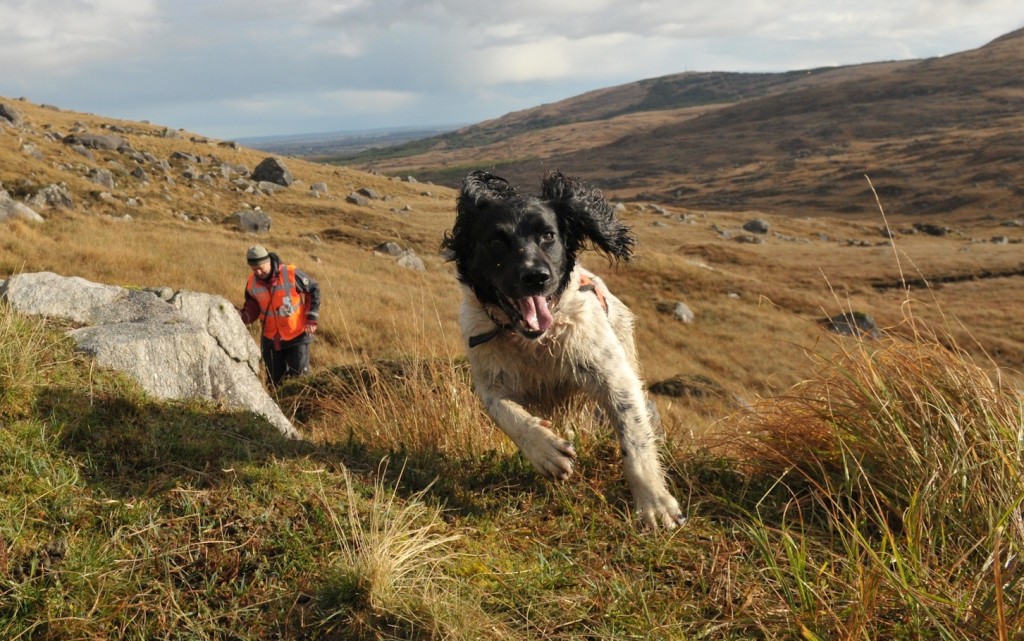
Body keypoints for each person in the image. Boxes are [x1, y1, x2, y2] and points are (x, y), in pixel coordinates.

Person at [239, 245, 321, 387]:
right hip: (270, 339)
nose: (258, 272)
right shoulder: (251, 283)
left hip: (297, 336)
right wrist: (243, 316)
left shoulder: (290, 273)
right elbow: (252, 307)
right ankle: (280, 408)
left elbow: (313, 289)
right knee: (274, 383)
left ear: (268, 261)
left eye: (260, 267)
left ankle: (303, 407)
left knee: (301, 381)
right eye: (254, 269)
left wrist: (311, 319)